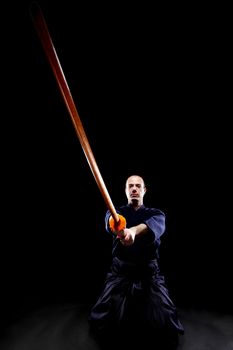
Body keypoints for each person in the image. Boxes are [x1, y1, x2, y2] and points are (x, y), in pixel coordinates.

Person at [88, 175, 184, 349]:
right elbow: (110, 221)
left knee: (166, 322)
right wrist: (118, 228)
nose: (134, 189)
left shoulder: (156, 214)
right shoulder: (116, 212)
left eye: (138, 186)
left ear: (144, 190)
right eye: (130, 186)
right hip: (120, 274)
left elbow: (150, 226)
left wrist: (133, 231)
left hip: (149, 275)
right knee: (101, 321)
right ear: (126, 190)